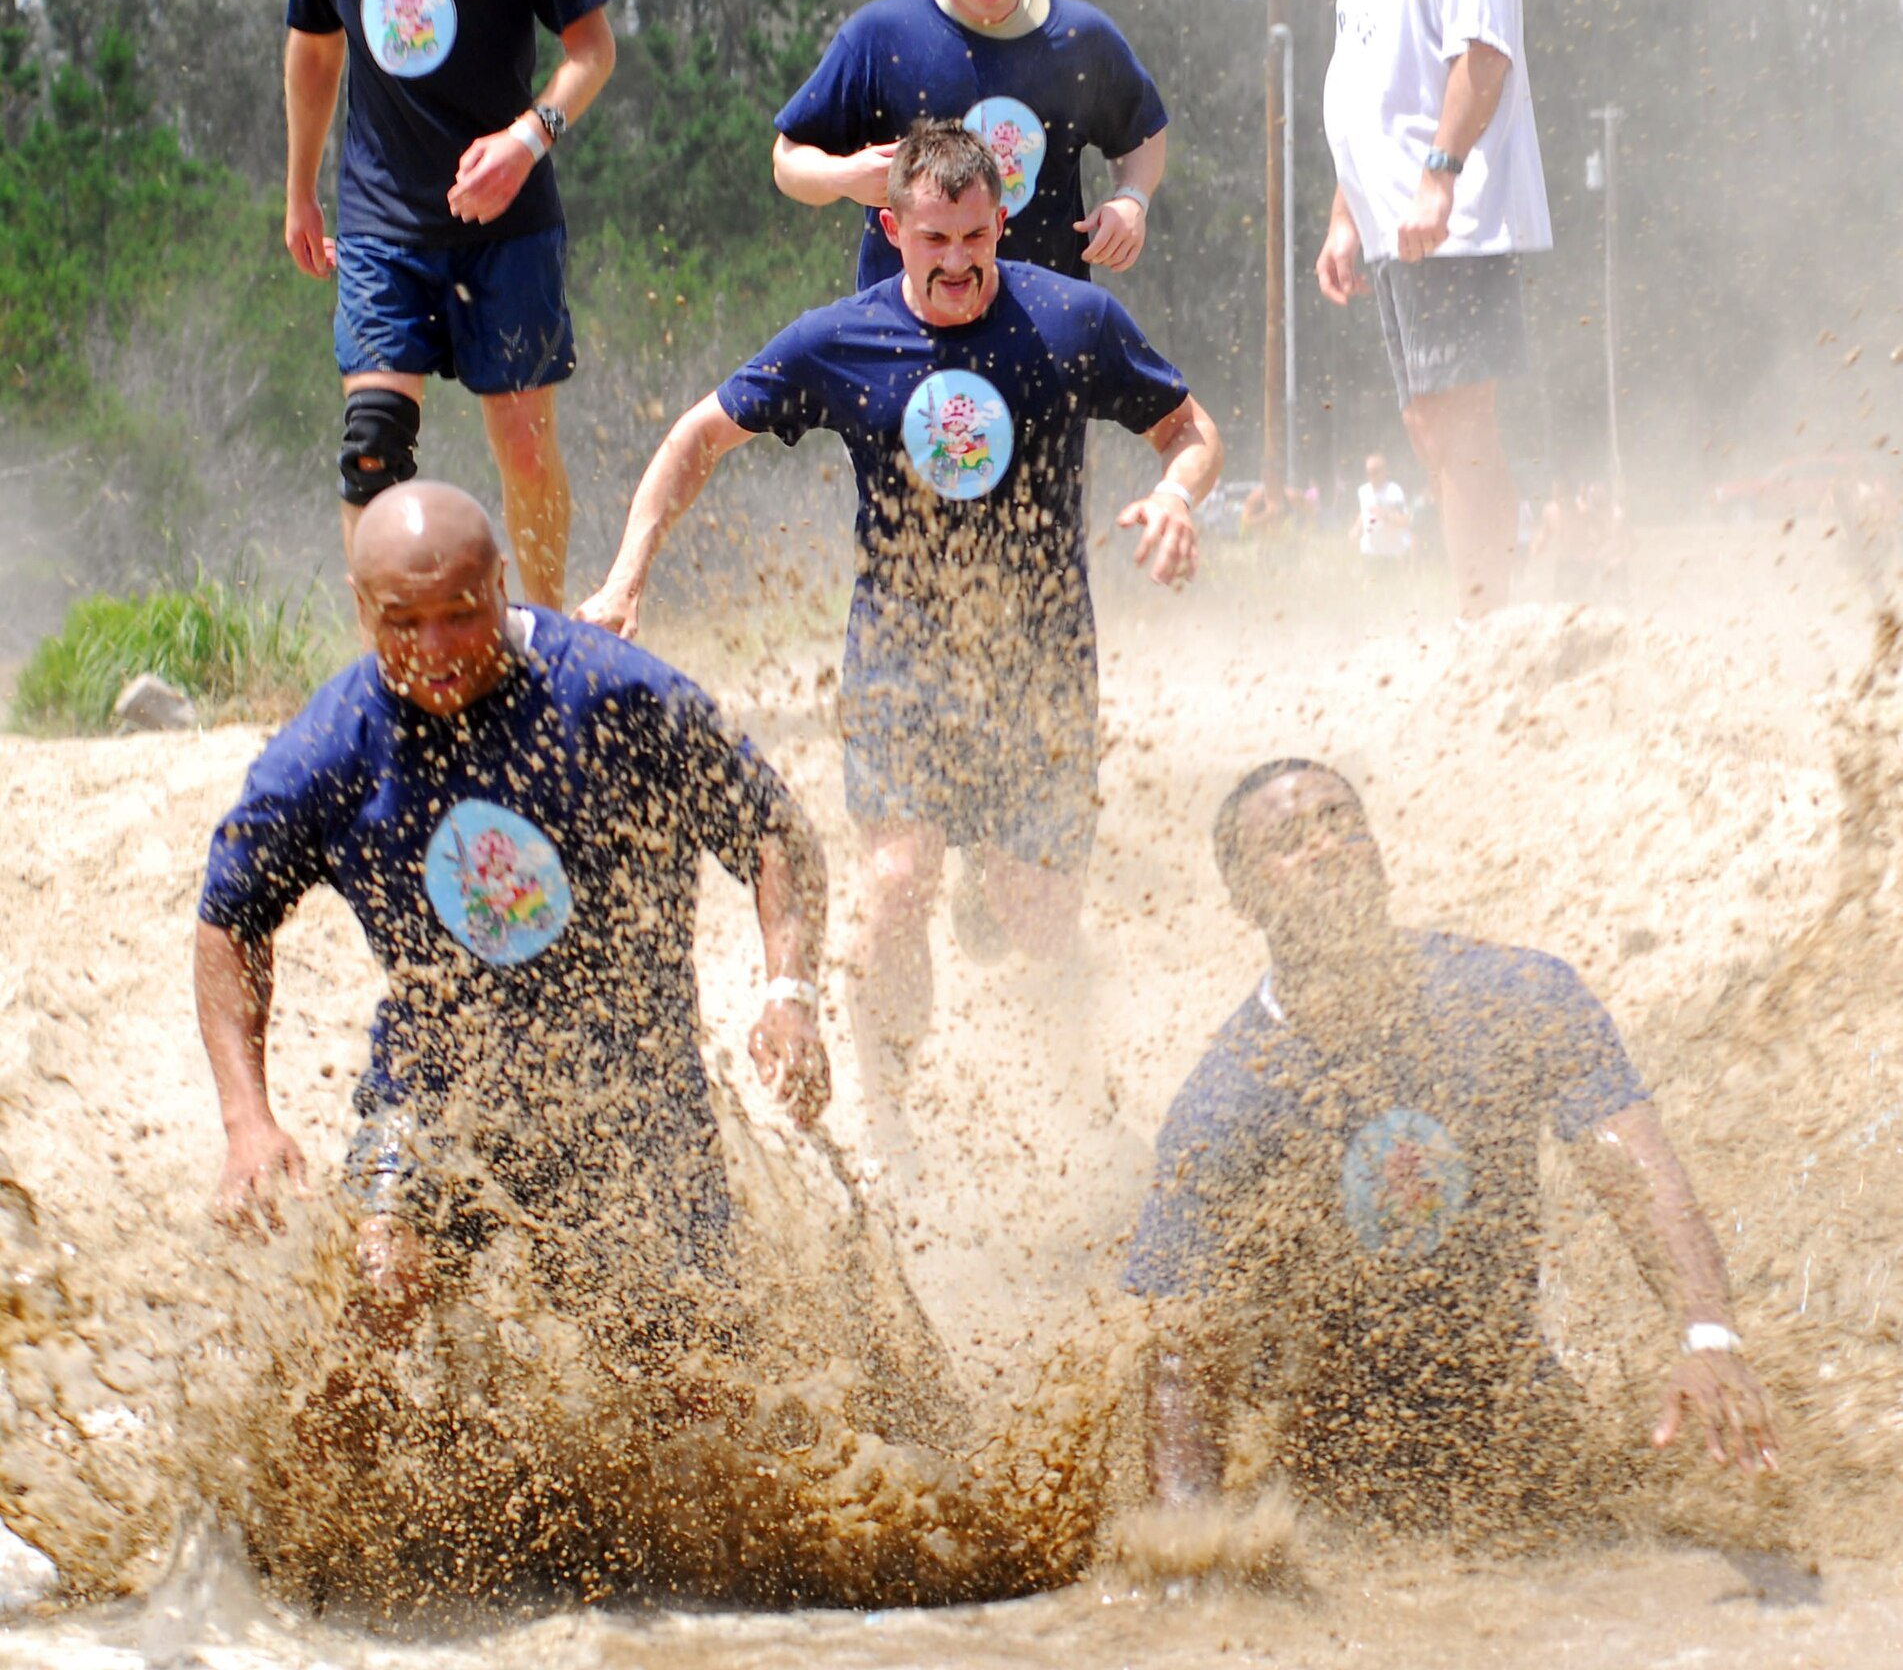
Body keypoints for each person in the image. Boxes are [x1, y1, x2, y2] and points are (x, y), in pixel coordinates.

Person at [579, 119, 1221, 1154]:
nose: (960, 262)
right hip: (903, 657)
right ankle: (892, 1131)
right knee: (892, 885)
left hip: (1041, 662)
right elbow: (697, 435)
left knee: (1034, 913)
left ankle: (1078, 1112)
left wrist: (1179, 493)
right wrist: (625, 575)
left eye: (977, 239)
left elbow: (1190, 430)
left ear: (1000, 223)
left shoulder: (1072, 320)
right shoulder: (843, 336)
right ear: (894, 228)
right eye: (936, 241)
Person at [196, 483, 829, 1353]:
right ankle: (312, 1488)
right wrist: (247, 1121)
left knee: (685, 1371)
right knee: (379, 1295)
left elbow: (771, 831)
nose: (434, 649)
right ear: (361, 609)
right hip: (437, 1088)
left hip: (630, 1093)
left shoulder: (612, 696)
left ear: (500, 583)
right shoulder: (329, 749)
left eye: (459, 613)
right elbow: (230, 919)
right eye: (401, 622)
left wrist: (788, 989)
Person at [1126, 760, 1779, 1526]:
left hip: (1519, 1425)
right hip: (1333, 1480)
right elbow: (1177, 1347)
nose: (1326, 845)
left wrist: (1708, 1335)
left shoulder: (1516, 998)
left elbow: (1635, 1176)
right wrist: (1186, 1540)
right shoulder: (1228, 1103)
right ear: (1245, 896)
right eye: (1290, 839)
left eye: (1341, 821)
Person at [283, 0, 617, 610]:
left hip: (508, 226)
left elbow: (592, 47)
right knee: (371, 442)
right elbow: (315, 56)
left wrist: (527, 137)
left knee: (522, 445)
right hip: (384, 224)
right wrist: (300, 193)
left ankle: (544, 639)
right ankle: (388, 665)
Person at [1313, 0, 1551, 621]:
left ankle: (1489, 620)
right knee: (1428, 425)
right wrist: (1344, 215)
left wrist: (1440, 179)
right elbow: (1368, 93)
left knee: (1458, 420)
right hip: (1392, 228)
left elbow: (1480, 56)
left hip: (1451, 217)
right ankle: (1486, 603)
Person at [772, 0, 1169, 290]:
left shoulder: (1081, 40)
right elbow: (787, 161)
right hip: (908, 338)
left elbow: (1144, 134)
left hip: (1046, 331)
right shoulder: (880, 38)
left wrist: (1132, 199)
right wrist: (844, 176)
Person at [1352, 450, 1413, 562]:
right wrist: (1356, 527)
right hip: (1369, 552)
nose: (1371, 476)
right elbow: (1364, 512)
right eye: (1368, 472)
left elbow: (1405, 520)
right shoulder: (1363, 491)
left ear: (1384, 471)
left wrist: (1384, 515)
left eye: (1375, 472)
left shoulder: (1394, 491)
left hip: (1392, 553)